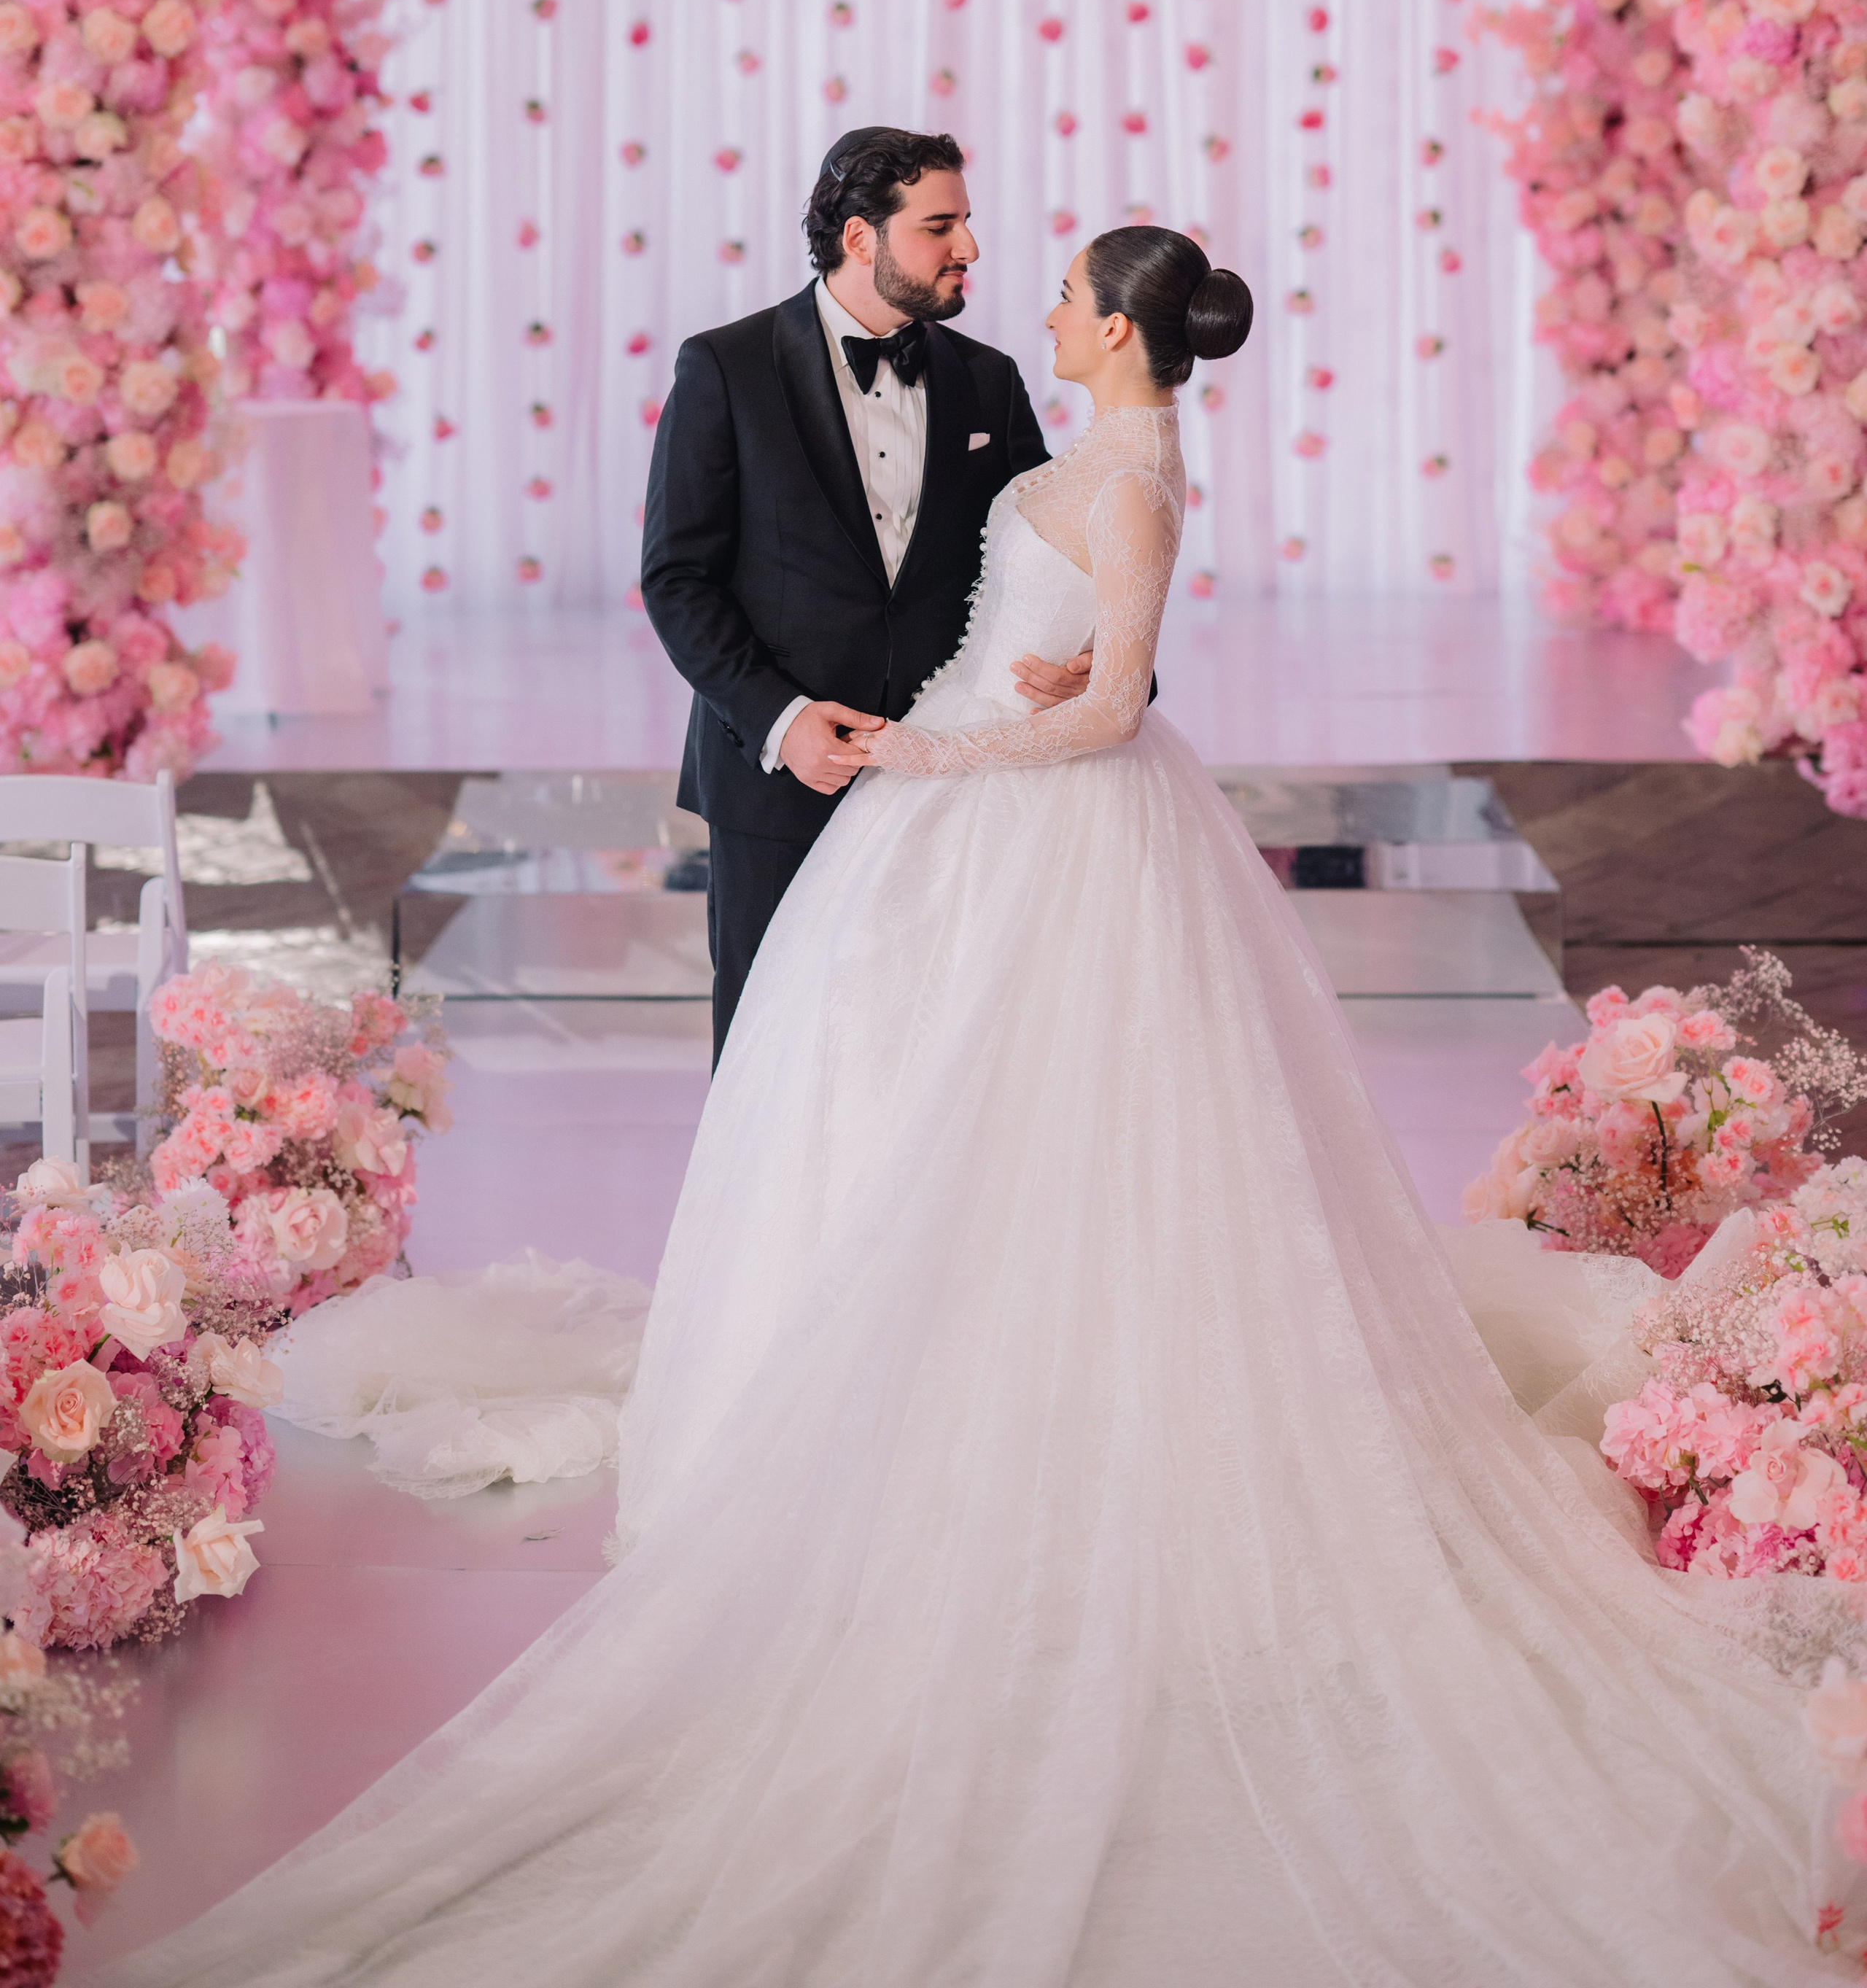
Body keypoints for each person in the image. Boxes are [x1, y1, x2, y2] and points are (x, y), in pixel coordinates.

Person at [105, 230, 1840, 1988]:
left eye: (1078, 286)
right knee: (950, 1127)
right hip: (973, 821)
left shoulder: (1134, 466)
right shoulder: (1073, 445)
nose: (1041, 296)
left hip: (1048, 825)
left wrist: (939, 751)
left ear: (1122, 325)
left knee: (1072, 1131)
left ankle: (1050, 1428)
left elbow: (1104, 706)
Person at [640, 125, 1089, 1063]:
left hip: (946, 774)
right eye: (941, 226)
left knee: (929, 1054)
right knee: (773, 1049)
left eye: (965, 222)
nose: (968, 247)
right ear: (859, 237)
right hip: (780, 779)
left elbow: (1049, 557)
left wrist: (1101, 665)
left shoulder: (988, 381)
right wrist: (781, 719)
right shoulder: (723, 367)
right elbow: (678, 578)